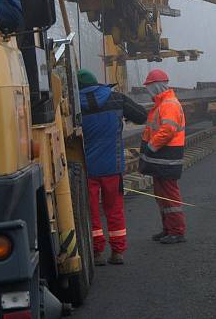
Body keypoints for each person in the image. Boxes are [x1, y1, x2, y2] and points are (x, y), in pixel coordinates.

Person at [78, 69, 147, 265]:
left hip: (86, 169)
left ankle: (96, 253)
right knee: (114, 210)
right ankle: (117, 252)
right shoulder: (116, 99)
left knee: (90, 212)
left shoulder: (72, 104)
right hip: (112, 166)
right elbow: (142, 116)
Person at [140, 69, 187, 244]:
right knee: (161, 194)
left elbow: (167, 130)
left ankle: (177, 231)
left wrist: (150, 147)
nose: (148, 90)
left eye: (149, 86)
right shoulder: (161, 104)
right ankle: (168, 229)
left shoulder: (168, 104)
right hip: (161, 158)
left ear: (156, 86)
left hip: (167, 157)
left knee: (169, 194)